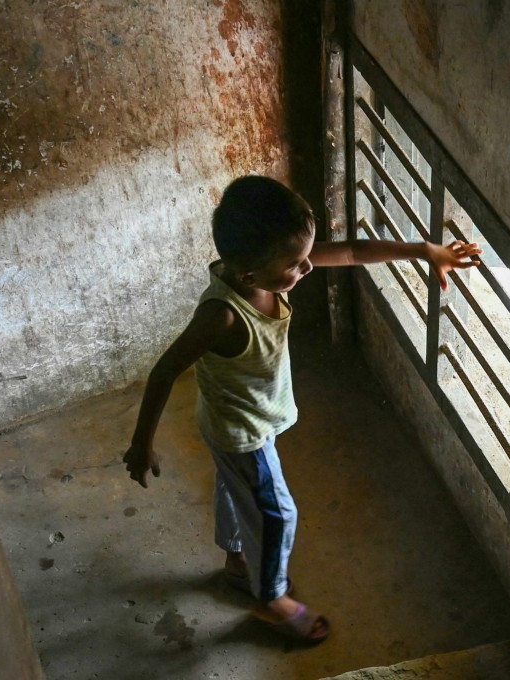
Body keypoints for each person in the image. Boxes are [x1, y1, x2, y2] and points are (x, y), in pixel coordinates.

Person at [123, 175, 481, 643]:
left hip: (230, 420)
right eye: (296, 265)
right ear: (250, 277)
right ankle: (270, 598)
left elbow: (351, 252)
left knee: (236, 489)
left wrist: (423, 249)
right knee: (276, 513)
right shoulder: (225, 315)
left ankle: (237, 560)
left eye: (307, 255)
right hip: (243, 432)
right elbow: (165, 370)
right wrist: (140, 443)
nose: (308, 269)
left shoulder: (268, 269)